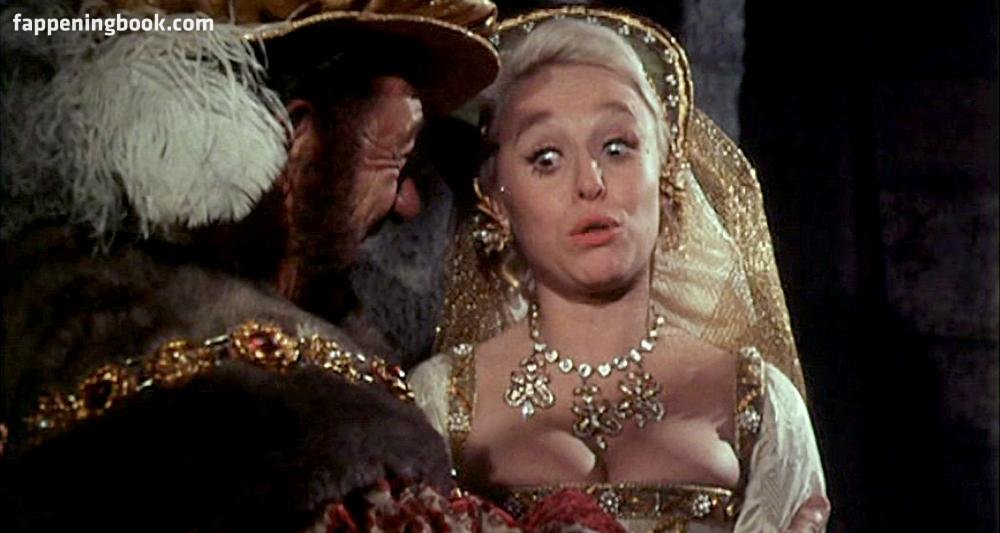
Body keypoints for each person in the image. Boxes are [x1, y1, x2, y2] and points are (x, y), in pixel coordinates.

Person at [0, 0, 498, 530]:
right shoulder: (264, 414)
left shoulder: (59, 308)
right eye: (395, 160)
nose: (408, 204)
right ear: (298, 139)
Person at [410, 8, 829, 532]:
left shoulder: (759, 404)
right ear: (496, 198)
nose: (590, 183)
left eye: (617, 148)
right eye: (546, 158)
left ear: (666, 173)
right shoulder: (440, 401)